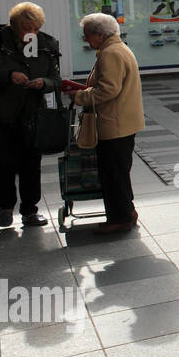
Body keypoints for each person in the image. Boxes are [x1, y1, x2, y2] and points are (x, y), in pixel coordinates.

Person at [0, 2, 61, 228]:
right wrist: (7, 76)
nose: (32, 34)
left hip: (32, 115)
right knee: (2, 163)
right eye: (27, 29)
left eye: (36, 29)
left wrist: (43, 82)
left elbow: (55, 80)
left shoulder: (46, 45)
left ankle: (29, 210)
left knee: (30, 164)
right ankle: (6, 208)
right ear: (13, 26)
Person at [68, 13, 144, 235]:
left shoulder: (110, 53)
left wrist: (79, 96)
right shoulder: (117, 48)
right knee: (119, 171)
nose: (86, 41)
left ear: (100, 35)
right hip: (122, 122)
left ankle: (120, 218)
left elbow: (108, 90)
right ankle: (127, 212)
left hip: (115, 123)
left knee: (113, 174)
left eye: (87, 36)